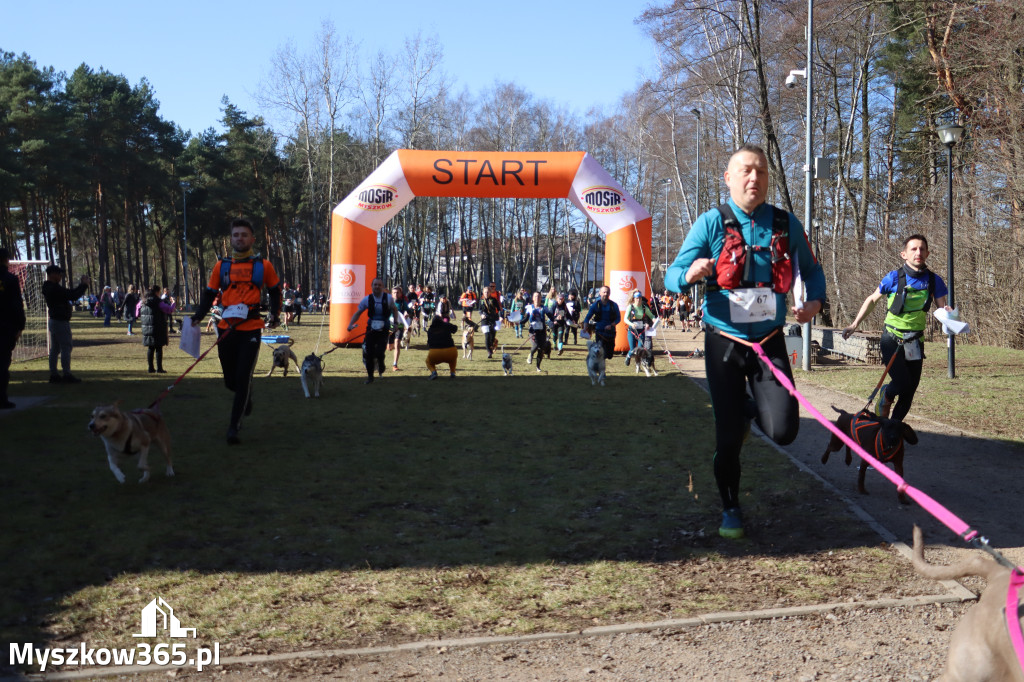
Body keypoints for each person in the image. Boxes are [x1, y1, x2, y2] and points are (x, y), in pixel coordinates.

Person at [666, 143, 825, 540]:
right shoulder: (711, 222)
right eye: (746, 171)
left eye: (762, 172)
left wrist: (816, 302)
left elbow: (812, 270)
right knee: (726, 437)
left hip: (769, 342)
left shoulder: (785, 224)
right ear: (729, 177)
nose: (755, 178)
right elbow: (673, 273)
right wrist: (689, 275)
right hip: (724, 343)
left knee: (784, 430)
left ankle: (748, 410)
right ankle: (731, 507)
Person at [190, 218, 282, 445]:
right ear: (230, 239)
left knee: (242, 378)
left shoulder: (264, 265)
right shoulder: (222, 266)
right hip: (225, 329)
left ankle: (233, 427)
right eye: (235, 235)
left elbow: (275, 292)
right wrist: (199, 315)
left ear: (252, 239)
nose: (239, 238)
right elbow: (209, 293)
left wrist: (274, 315)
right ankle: (246, 393)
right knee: (230, 381)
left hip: (250, 329)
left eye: (244, 234)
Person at [842, 234, 949, 421]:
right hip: (891, 338)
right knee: (901, 383)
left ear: (928, 253)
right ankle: (886, 394)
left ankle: (893, 429)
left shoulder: (934, 281)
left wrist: (950, 316)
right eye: (913, 249)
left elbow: (944, 309)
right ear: (904, 254)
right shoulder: (893, 278)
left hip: (916, 341)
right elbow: (872, 300)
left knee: (910, 390)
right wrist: (854, 324)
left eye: (922, 249)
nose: (918, 252)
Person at [42, 264, 90, 384]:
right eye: (58, 273)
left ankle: (54, 374)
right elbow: (73, 295)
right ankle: (66, 374)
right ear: (52, 274)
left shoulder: (49, 287)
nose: (60, 276)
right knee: (65, 347)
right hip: (60, 321)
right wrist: (84, 285)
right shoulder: (53, 288)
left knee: (55, 349)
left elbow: (71, 294)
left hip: (54, 320)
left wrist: (82, 286)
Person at [347, 277, 398, 384]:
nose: (377, 287)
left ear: (383, 287)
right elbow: (358, 313)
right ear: (372, 287)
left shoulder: (388, 298)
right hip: (371, 329)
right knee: (368, 353)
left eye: (379, 285)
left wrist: (396, 324)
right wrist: (350, 324)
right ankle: (370, 377)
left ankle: (381, 363)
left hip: (384, 329)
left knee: (380, 351)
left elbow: (394, 310)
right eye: (375, 285)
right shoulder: (367, 299)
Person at [0, 248, 26, 409]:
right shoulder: (10, 279)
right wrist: (19, 326)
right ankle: (1, 398)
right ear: (6, 260)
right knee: (2, 365)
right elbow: (16, 304)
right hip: (5, 327)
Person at [138, 284, 175, 374]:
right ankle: (159, 368)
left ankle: (150, 368)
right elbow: (169, 310)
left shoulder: (142, 301)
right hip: (158, 326)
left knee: (150, 348)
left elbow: (137, 312)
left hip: (147, 328)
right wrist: (174, 303)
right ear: (156, 292)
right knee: (158, 348)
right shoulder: (158, 302)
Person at [582, 285, 621, 361]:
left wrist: (611, 325)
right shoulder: (595, 305)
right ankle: (601, 370)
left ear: (609, 293)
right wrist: (585, 327)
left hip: (611, 333)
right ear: (600, 293)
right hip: (599, 332)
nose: (605, 294)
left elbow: (618, 319)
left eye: (607, 292)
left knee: (609, 355)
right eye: (604, 292)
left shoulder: (614, 305)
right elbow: (587, 318)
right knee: (601, 354)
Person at [624, 289, 657, 369]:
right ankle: (628, 356)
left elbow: (651, 316)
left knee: (640, 349)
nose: (638, 300)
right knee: (632, 350)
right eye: (637, 298)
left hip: (641, 331)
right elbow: (625, 319)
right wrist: (632, 324)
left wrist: (654, 320)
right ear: (634, 299)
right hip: (632, 331)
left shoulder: (644, 307)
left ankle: (638, 365)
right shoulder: (630, 307)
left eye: (640, 298)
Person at [524, 291, 554, 372]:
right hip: (533, 331)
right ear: (533, 298)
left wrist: (555, 320)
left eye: (539, 296)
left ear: (541, 298)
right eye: (535, 296)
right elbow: (526, 319)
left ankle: (538, 367)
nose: (537, 298)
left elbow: (551, 316)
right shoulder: (530, 307)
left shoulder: (544, 308)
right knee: (536, 345)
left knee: (541, 349)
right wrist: (519, 322)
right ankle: (531, 354)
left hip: (542, 331)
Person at [425, 314, 459, 379]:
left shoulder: (430, 330)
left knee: (428, 362)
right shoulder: (446, 325)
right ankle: (452, 373)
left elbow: (429, 343)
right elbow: (455, 328)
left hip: (435, 353)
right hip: (450, 351)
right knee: (453, 361)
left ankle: (434, 372)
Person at [387, 284, 409, 370]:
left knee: (397, 342)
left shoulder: (403, 302)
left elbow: (409, 310)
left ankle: (395, 364)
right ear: (391, 294)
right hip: (391, 324)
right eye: (394, 293)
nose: (396, 294)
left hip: (399, 324)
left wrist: (407, 313)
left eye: (397, 293)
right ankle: (388, 343)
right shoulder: (388, 302)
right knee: (390, 347)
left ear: (400, 293)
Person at [479, 284, 501, 358]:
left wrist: (500, 316)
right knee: (487, 335)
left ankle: (492, 345)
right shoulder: (481, 301)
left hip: (493, 319)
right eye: (485, 292)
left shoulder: (494, 300)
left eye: (487, 292)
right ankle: (489, 351)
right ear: (483, 293)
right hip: (485, 320)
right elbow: (480, 310)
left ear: (490, 292)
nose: (486, 293)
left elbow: (499, 309)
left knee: (492, 336)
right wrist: (481, 314)